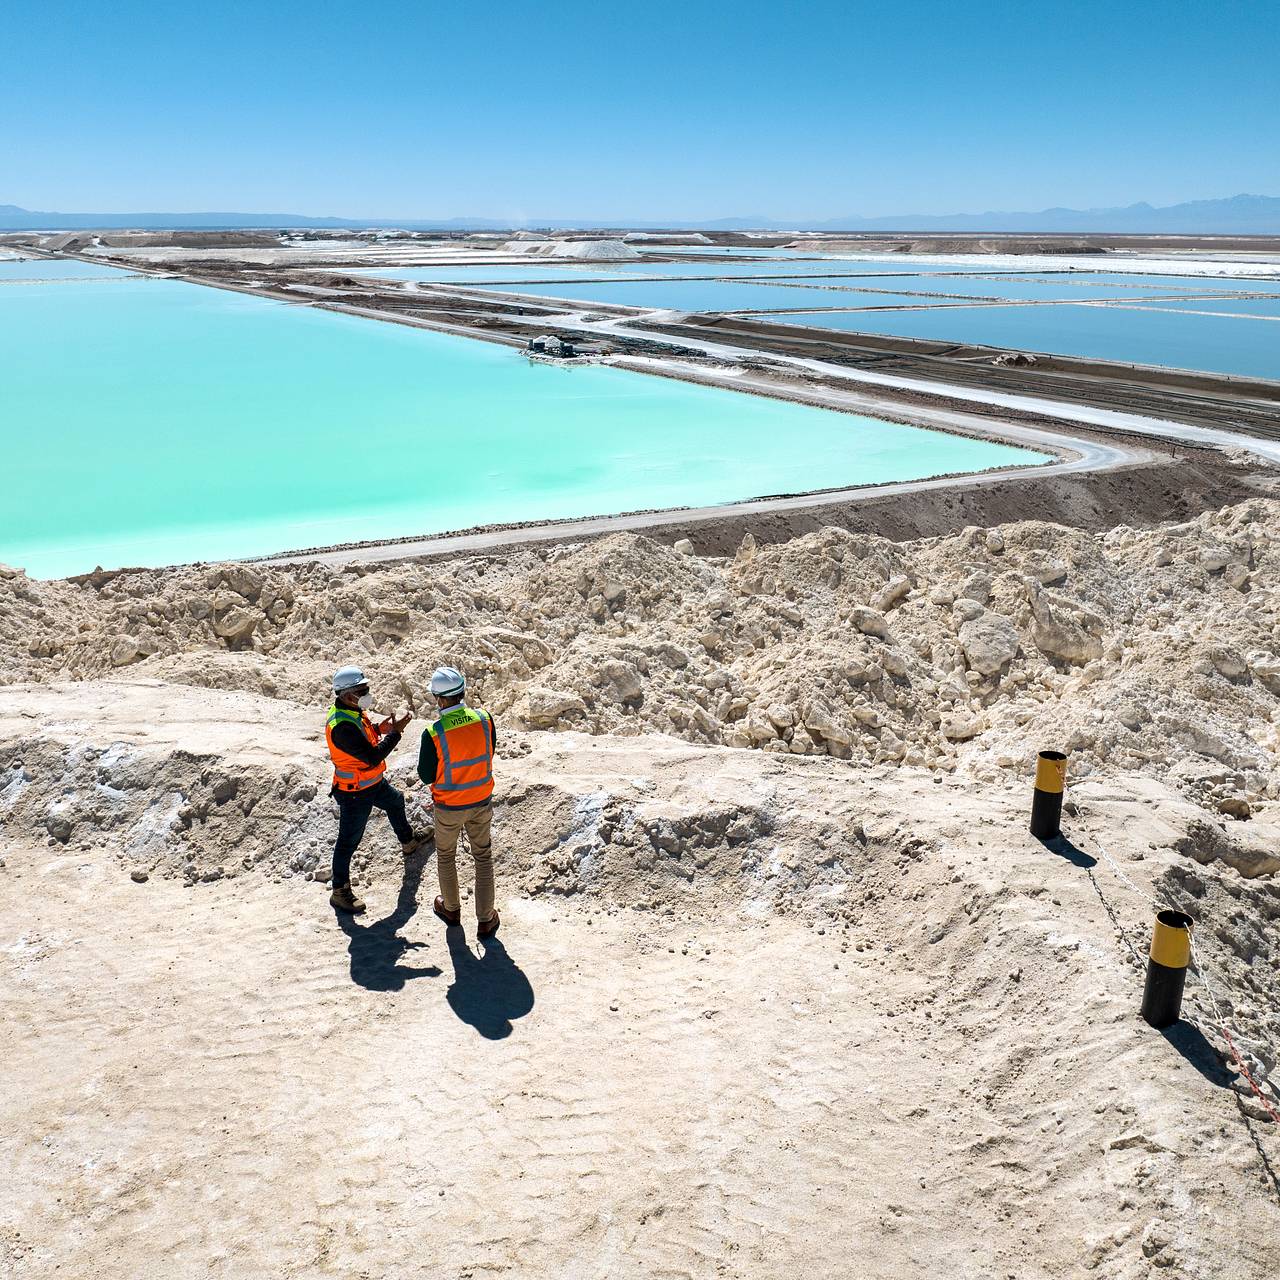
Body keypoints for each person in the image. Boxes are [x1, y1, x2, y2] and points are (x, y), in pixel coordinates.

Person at [325, 664, 427, 915]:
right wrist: (396, 733)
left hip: (370, 783)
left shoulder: (352, 712)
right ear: (347, 694)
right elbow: (373, 756)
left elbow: (366, 736)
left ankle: (408, 841)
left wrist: (383, 729)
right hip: (354, 792)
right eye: (363, 690)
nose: (367, 693)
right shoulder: (342, 726)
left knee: (396, 801)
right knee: (348, 842)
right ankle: (340, 891)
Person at [417, 665, 500, 936]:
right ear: (462, 692)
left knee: (446, 855)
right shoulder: (484, 719)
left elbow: (426, 774)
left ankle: (451, 909)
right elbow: (490, 751)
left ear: (439, 699)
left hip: (449, 807)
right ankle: (486, 919)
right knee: (483, 858)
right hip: (480, 801)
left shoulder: (434, 733)